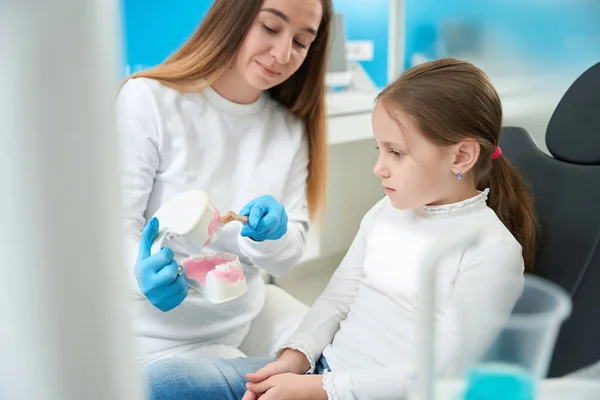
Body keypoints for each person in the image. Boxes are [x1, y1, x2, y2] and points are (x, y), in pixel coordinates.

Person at [143, 58, 539, 400]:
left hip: (362, 393)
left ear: (462, 155)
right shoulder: (387, 211)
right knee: (159, 383)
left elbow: (443, 373)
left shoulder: (491, 251)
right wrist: (292, 360)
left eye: (396, 153)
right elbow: (337, 299)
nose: (379, 167)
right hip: (321, 373)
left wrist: (323, 390)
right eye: (379, 149)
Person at [117, 0, 333, 366]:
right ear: (234, 16)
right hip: (155, 338)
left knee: (348, 358)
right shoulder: (149, 101)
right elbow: (114, 228)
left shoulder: (289, 129)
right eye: (270, 27)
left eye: (300, 42)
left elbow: (285, 258)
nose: (282, 54)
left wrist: (273, 237)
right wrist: (138, 273)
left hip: (244, 318)